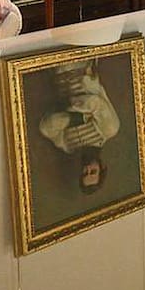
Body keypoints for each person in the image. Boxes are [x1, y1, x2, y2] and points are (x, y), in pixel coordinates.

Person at [38, 59, 119, 194]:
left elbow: (47, 126)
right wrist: (69, 109)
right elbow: (95, 103)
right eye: (93, 171)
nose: (87, 168)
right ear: (101, 167)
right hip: (81, 65)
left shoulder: (65, 145)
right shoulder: (109, 129)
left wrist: (77, 118)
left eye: (84, 173)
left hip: (56, 69)